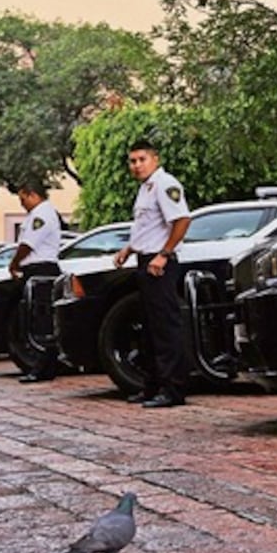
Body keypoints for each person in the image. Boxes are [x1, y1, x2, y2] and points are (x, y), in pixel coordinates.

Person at [113, 139, 191, 408]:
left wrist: (164, 254)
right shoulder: (146, 189)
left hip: (160, 264)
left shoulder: (165, 184)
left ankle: (173, 390)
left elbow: (182, 220)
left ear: (155, 159)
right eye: (132, 161)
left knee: (165, 327)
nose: (136, 165)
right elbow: (147, 228)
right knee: (148, 327)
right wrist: (128, 249)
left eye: (141, 159)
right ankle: (152, 386)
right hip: (146, 261)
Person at [6, 180, 62, 380]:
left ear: (32, 194)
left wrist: (14, 263)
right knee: (35, 319)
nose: (21, 204)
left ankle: (43, 368)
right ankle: (43, 367)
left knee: (42, 322)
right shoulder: (37, 214)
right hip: (36, 270)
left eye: (23, 199)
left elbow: (28, 244)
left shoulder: (42, 214)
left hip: (41, 270)